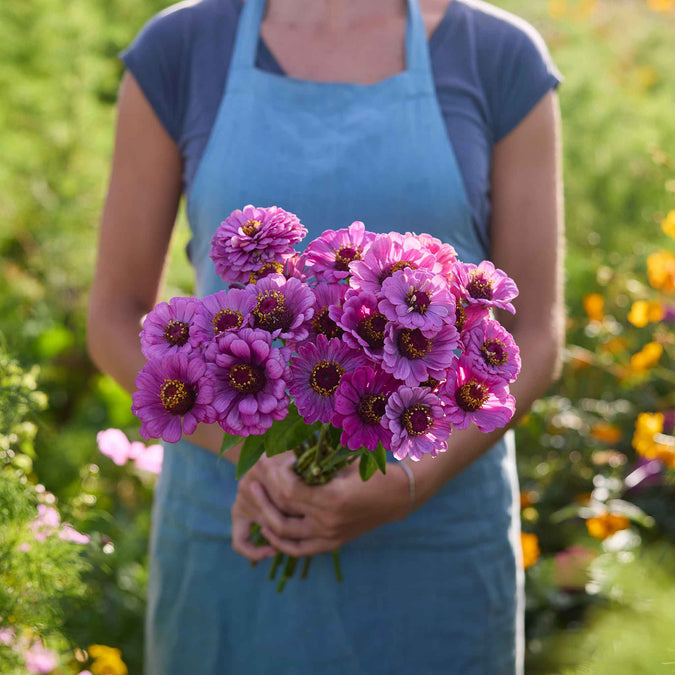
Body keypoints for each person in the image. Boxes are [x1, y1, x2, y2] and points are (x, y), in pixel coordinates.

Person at [87, 0, 564, 672]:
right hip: (241, 524)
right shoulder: (183, 47)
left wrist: (404, 483)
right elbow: (114, 315)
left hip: (435, 534)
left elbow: (535, 334)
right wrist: (252, 458)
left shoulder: (495, 55)